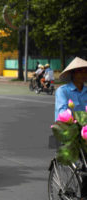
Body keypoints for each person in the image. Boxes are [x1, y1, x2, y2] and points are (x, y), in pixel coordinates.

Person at [55, 57, 87, 199]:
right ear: (73, 73)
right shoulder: (63, 91)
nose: (83, 74)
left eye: (85, 71)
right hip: (70, 130)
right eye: (80, 71)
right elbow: (62, 111)